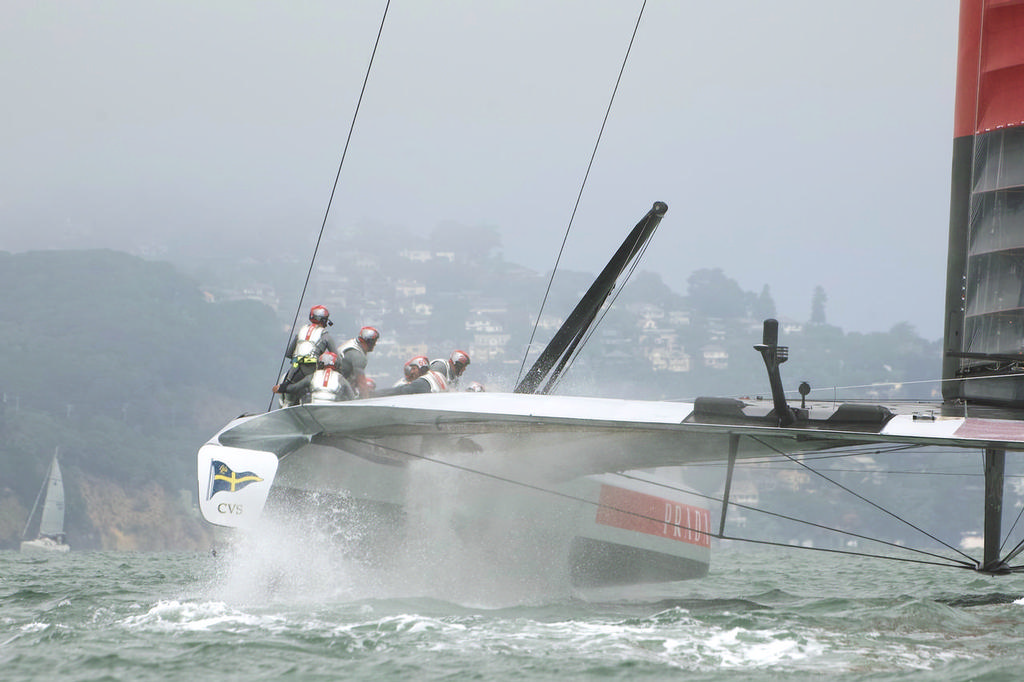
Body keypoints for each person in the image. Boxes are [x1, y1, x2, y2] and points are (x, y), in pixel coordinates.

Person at [276, 305, 338, 407]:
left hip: (295, 370)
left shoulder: (301, 331)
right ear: (324, 320)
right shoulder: (325, 335)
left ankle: (286, 405)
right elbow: (336, 358)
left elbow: (289, 354)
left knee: (288, 395)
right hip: (313, 369)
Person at [338, 326, 380, 397]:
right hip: (338, 387)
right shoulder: (358, 356)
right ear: (370, 342)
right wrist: (366, 402)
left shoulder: (351, 344)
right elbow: (362, 383)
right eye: (374, 342)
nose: (375, 344)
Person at [375, 365, 448, 396]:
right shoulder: (436, 375)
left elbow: (397, 391)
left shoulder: (420, 383)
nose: (411, 372)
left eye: (413, 368)